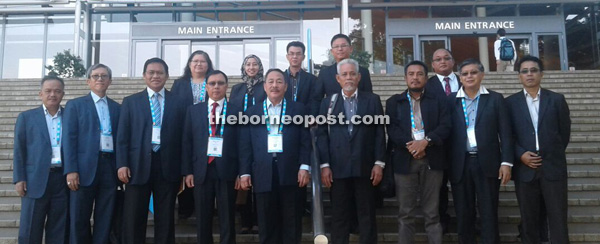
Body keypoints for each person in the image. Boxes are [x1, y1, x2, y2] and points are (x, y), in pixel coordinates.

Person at [116, 58, 187, 244]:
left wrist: (184, 170)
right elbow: (122, 137)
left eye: (160, 73)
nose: (156, 76)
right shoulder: (130, 102)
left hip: (168, 167)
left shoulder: (179, 102)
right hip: (137, 166)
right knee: (134, 217)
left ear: (167, 76)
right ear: (144, 76)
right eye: (151, 72)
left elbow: (184, 139)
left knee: (165, 218)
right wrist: (122, 164)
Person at [317, 59, 386, 244]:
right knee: (339, 216)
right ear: (338, 78)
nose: (349, 78)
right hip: (337, 169)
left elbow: (380, 133)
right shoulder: (328, 103)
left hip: (365, 167)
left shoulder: (372, 100)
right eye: (345, 75)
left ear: (359, 77)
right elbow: (322, 135)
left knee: (367, 215)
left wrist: (379, 163)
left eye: (352, 74)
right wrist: (325, 165)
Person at [239, 68, 311, 244]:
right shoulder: (252, 113)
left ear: (286, 86)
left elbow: (305, 141)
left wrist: (304, 166)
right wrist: (245, 172)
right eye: (270, 81)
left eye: (279, 81)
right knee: (266, 222)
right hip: (263, 173)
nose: (275, 85)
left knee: (291, 222)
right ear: (264, 86)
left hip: (291, 171)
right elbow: (245, 146)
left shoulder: (298, 110)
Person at [506, 55, 571, 244]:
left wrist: (549, 151)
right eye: (525, 71)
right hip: (525, 169)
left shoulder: (557, 100)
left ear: (541, 74)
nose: (529, 74)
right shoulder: (510, 103)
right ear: (519, 76)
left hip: (553, 167)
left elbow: (563, 133)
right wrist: (520, 154)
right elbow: (507, 135)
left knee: (558, 218)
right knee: (529, 220)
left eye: (533, 70)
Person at [448, 59, 513, 244]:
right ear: (460, 78)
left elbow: (506, 133)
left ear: (482, 75)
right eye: (465, 73)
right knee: (463, 212)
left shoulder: (495, 99)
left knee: (489, 211)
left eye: (473, 72)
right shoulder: (450, 100)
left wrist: (506, 162)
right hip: (460, 163)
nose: (469, 76)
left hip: (488, 163)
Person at [386, 60, 451, 244]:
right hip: (405, 161)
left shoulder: (439, 101)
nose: (415, 78)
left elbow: (446, 126)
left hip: (433, 160)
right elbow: (392, 129)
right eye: (411, 74)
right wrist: (413, 146)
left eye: (419, 74)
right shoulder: (394, 102)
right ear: (405, 77)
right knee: (405, 213)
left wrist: (425, 142)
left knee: (432, 212)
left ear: (426, 78)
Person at [181, 70, 242, 244]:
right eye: (212, 83)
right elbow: (187, 143)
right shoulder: (193, 111)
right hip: (201, 170)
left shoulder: (237, 112)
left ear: (227, 87)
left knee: (228, 218)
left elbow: (242, 144)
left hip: (228, 171)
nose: (216, 87)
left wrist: (241, 172)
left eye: (220, 83)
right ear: (206, 87)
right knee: (202, 217)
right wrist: (188, 171)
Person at [63, 64, 121, 244]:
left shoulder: (117, 108)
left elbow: (121, 140)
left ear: (110, 81)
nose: (100, 79)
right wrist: (71, 169)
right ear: (88, 81)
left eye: (104, 76)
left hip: (109, 167)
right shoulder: (75, 105)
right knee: (79, 217)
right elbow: (68, 139)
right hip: (83, 168)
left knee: (105, 216)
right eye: (95, 76)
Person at [13, 76, 68, 244]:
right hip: (34, 179)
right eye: (48, 91)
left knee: (59, 228)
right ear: (40, 94)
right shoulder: (27, 117)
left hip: (62, 179)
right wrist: (19, 178)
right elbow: (19, 150)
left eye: (57, 91)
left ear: (63, 94)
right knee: (30, 228)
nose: (53, 94)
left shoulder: (70, 116)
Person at [171, 50, 215, 219]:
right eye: (195, 61)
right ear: (189, 64)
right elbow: (174, 107)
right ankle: (185, 207)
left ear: (208, 64)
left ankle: (206, 207)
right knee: (186, 167)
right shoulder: (179, 84)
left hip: (207, 132)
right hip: (184, 130)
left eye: (202, 61)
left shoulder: (213, 82)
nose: (198, 64)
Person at [425, 48, 460, 233]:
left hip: (462, 143)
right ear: (432, 64)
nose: (443, 61)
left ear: (453, 62)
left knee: (463, 184)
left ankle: (466, 219)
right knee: (439, 187)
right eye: (438, 59)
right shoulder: (427, 85)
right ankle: (442, 220)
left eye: (447, 58)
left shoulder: (466, 81)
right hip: (437, 144)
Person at [231, 54, 266, 234]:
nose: (251, 67)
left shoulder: (266, 86)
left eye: (255, 64)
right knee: (243, 178)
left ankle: (260, 221)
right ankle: (246, 221)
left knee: (258, 179)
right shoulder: (237, 88)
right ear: (244, 68)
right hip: (240, 135)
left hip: (260, 134)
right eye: (248, 64)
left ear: (260, 67)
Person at [318, 34, 373, 98]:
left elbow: (369, 98)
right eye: (336, 46)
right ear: (332, 51)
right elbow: (317, 98)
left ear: (351, 49)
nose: (340, 49)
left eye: (343, 46)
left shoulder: (363, 72)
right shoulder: (324, 73)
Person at [284, 41, 322, 116]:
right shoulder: (280, 78)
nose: (294, 56)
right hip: (283, 120)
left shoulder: (312, 79)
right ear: (287, 56)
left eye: (298, 54)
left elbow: (314, 101)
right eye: (291, 53)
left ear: (303, 57)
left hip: (304, 120)